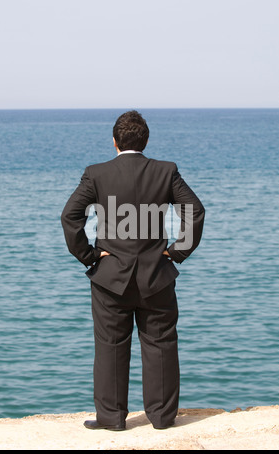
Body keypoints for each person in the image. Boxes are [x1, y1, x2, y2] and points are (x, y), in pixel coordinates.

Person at [61, 110, 205, 431]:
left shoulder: (96, 174)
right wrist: (178, 250)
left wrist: (90, 255)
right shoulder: (165, 171)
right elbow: (194, 210)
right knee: (161, 343)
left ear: (114, 142)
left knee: (111, 346)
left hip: (110, 276)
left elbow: (70, 217)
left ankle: (112, 419)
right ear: (146, 140)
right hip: (157, 275)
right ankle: (163, 418)